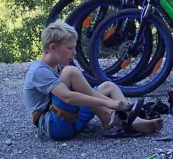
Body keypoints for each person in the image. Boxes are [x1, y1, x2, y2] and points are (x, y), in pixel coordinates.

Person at [22, 20, 163, 140]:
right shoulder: (39, 71)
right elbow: (68, 97)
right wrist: (109, 103)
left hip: (71, 118)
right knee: (71, 72)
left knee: (109, 86)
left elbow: (87, 92)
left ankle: (133, 120)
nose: (74, 53)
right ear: (53, 47)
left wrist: (112, 102)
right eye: (70, 48)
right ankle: (109, 114)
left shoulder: (59, 64)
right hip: (55, 126)